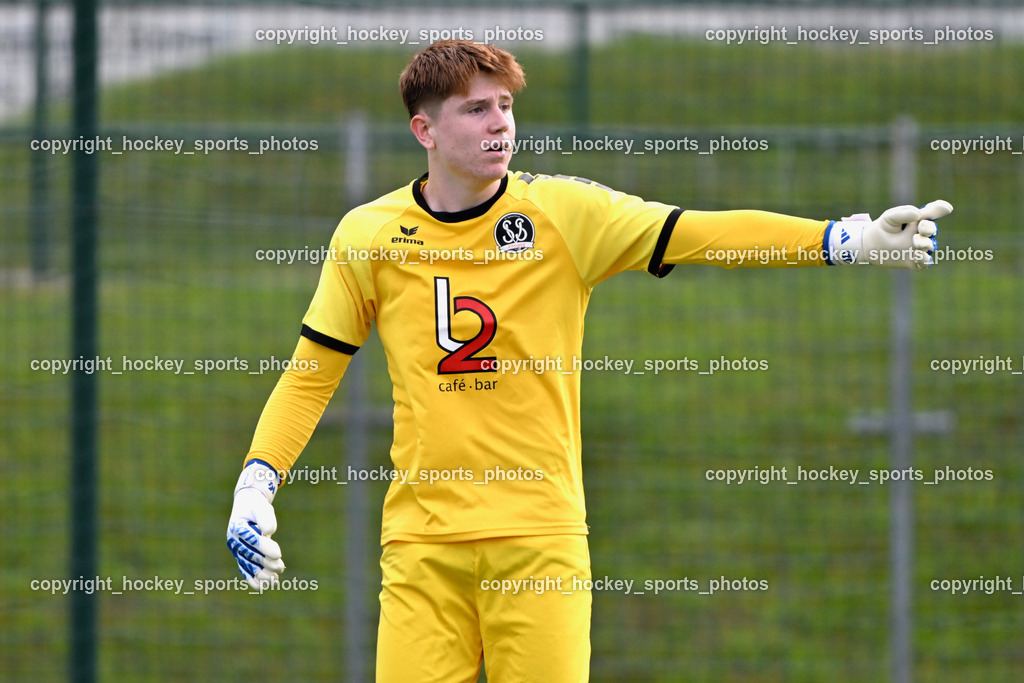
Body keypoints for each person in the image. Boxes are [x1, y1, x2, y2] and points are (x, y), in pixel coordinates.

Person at [226, 39, 951, 682]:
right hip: (421, 546)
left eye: (506, 105)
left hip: (539, 539)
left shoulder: (564, 214)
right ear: (425, 130)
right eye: (476, 109)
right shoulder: (368, 235)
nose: (500, 124)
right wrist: (257, 484)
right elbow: (311, 374)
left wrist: (845, 240)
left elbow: (699, 233)